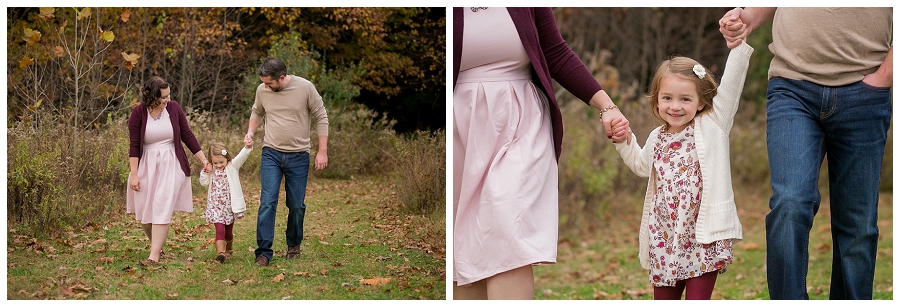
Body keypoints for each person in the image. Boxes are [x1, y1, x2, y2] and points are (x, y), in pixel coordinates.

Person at [452, 7, 629, 299]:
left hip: (521, 121)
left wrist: (607, 106)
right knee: (466, 242)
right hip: (463, 127)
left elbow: (555, 51)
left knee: (507, 228)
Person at [719, 8, 892, 300]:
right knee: (789, 204)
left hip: (865, 91)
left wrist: (885, 75)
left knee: (858, 224)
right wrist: (749, 17)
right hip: (792, 86)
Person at [610, 37, 753, 299]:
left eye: (685, 99)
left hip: (701, 237)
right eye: (667, 98)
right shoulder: (657, 137)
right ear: (657, 101)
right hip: (665, 237)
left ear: (700, 102)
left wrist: (738, 42)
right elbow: (642, 166)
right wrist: (623, 141)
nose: (675, 106)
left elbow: (731, 86)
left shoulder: (713, 125)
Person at [244, 57, 329, 267]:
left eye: (269, 83)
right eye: (263, 83)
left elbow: (321, 116)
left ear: (281, 78)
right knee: (267, 202)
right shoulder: (262, 90)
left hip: (299, 155)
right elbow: (257, 111)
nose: (265, 87)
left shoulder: (305, 87)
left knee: (296, 206)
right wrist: (250, 132)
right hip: (271, 153)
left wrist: (322, 152)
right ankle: (263, 253)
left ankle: (293, 245)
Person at [127, 76, 209, 264]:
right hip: (146, 164)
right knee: (145, 214)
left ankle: (153, 256)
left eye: (168, 95)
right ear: (152, 96)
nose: (167, 100)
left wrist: (203, 159)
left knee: (161, 205)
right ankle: (157, 246)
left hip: (171, 162)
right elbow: (134, 145)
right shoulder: (138, 114)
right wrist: (134, 175)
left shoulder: (174, 109)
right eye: (163, 97)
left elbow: (187, 135)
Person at [199, 140, 252, 263]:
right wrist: (205, 171)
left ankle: (228, 250)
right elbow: (203, 182)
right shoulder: (211, 171)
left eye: (221, 162)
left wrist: (247, 147)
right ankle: (220, 253)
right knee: (220, 229)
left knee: (228, 232)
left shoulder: (232, 166)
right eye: (215, 162)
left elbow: (242, 156)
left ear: (227, 158)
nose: (218, 165)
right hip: (216, 206)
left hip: (229, 207)